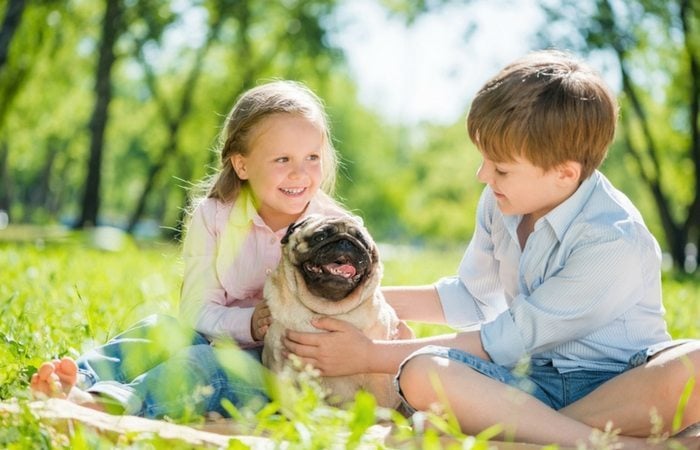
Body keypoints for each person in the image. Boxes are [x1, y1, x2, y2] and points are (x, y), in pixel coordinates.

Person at [283, 50, 700, 447]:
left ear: (564, 173)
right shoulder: (503, 202)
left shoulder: (611, 238)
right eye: (484, 159)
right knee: (422, 371)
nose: (483, 175)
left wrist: (369, 355)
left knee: (695, 367)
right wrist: (349, 301)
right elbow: (471, 297)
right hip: (529, 383)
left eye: (501, 168)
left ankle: (555, 434)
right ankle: (582, 437)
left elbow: (504, 339)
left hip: (617, 385)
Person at [30, 79, 351, 419]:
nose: (300, 173)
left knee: (204, 365)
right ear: (242, 165)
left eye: (312, 157)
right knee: (160, 329)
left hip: (280, 373)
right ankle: (77, 378)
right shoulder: (214, 217)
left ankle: (108, 405)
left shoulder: (335, 232)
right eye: (283, 159)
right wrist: (250, 323)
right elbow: (196, 311)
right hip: (212, 336)